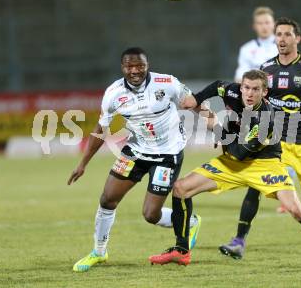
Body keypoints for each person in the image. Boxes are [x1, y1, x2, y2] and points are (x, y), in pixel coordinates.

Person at [149, 70, 301, 271]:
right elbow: (198, 97)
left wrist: (217, 129)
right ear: (240, 87)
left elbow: (238, 152)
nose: (249, 93)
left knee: (296, 209)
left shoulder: (266, 119)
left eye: (255, 89)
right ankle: (181, 251)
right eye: (246, 88)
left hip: (263, 164)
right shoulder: (228, 89)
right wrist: (194, 104)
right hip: (232, 162)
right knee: (181, 189)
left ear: (265, 92)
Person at [219, 17, 301, 261]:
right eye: (279, 34)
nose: (282, 39)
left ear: (297, 39)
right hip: (275, 140)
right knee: (255, 186)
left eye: (287, 35)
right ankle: (238, 241)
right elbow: (252, 99)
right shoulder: (266, 70)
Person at [67, 47, 201, 272]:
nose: (135, 70)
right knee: (107, 199)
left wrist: (212, 121)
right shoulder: (113, 93)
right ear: (123, 68)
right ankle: (99, 252)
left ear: (147, 66)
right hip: (136, 151)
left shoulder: (166, 82)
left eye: (140, 66)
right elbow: (101, 129)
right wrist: (82, 164)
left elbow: (192, 101)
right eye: (130, 66)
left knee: (150, 215)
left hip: (167, 155)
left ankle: (191, 221)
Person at [234, 6, 278, 83]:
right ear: (254, 26)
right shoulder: (246, 49)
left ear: (274, 24)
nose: (264, 26)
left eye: (267, 22)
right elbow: (239, 79)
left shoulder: (286, 46)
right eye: (260, 23)